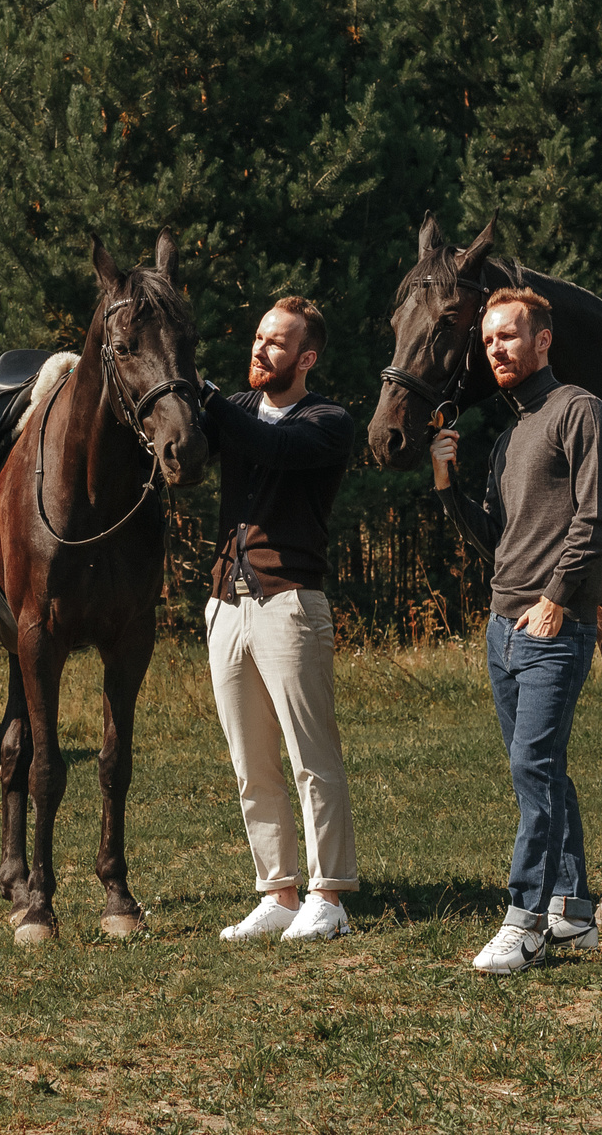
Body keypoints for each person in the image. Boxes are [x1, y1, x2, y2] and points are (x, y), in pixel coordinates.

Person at [431, 285, 602, 974]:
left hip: (551, 627)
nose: (497, 349)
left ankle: (524, 920)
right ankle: (573, 907)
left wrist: (559, 599)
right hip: (502, 628)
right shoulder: (510, 436)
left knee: (531, 768)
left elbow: (595, 520)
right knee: (543, 771)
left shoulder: (581, 411)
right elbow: (495, 539)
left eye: (509, 335)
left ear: (543, 340)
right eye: (488, 341)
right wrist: (446, 483)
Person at [201, 295, 359, 943]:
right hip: (224, 603)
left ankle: (330, 895)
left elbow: (270, 445)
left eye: (276, 341)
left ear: (306, 356)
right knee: (250, 761)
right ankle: (279, 891)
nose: (260, 348)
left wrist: (204, 395)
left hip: (290, 600)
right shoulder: (233, 409)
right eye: (259, 336)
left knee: (310, 756)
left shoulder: (328, 419)